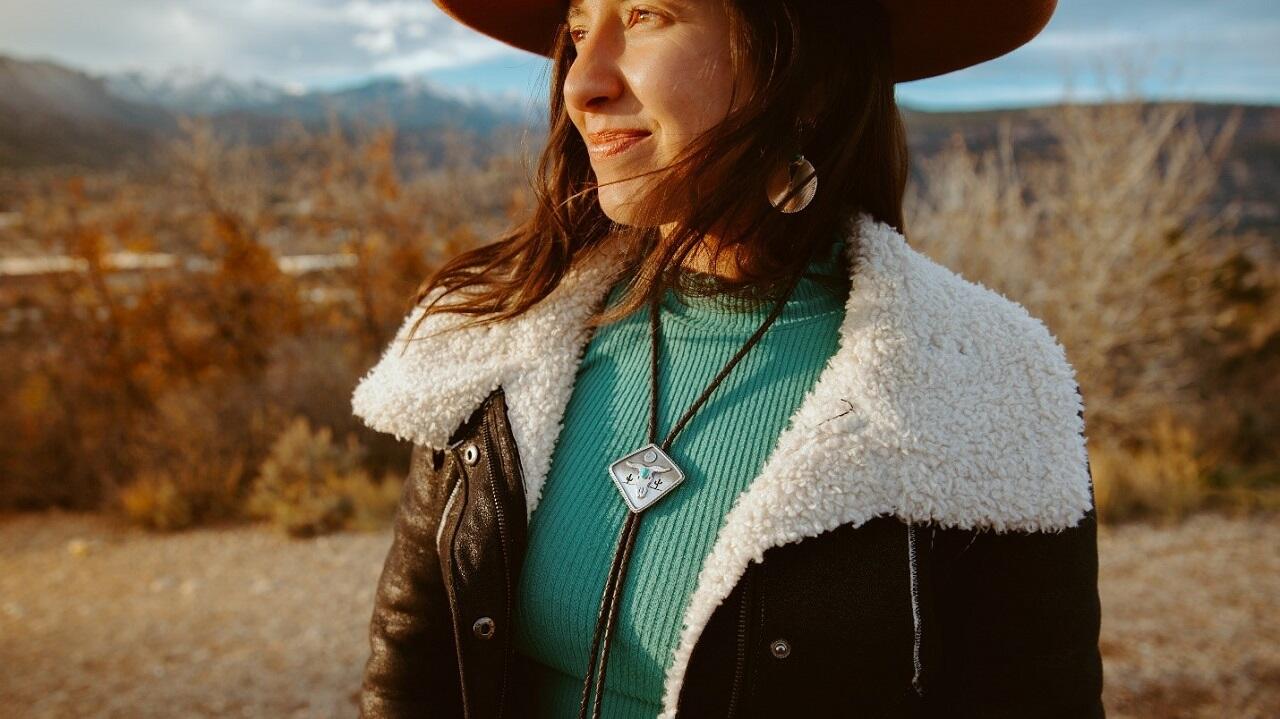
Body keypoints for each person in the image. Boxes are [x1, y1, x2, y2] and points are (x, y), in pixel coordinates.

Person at [351, 0, 1104, 717]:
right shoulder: (498, 331)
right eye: (578, 30)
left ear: (803, 69)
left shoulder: (984, 382)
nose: (581, 84)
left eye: (645, 16)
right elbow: (411, 670)